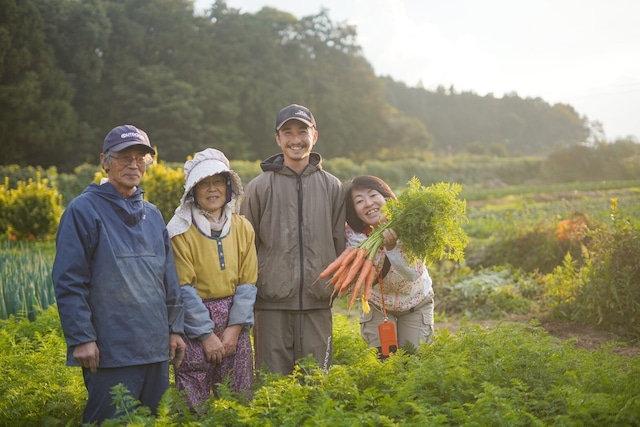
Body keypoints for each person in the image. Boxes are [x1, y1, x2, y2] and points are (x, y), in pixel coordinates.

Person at [52, 124, 186, 424]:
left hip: (155, 348)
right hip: (111, 351)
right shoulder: (83, 211)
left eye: (141, 157)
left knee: (156, 421)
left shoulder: (152, 215)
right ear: (105, 161)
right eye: (125, 156)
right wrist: (81, 338)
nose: (134, 164)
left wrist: (175, 329)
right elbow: (69, 282)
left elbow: (169, 278)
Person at [239, 103, 346, 375]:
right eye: (288, 132)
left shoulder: (332, 187)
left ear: (315, 136)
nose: (295, 139)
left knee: (315, 384)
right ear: (278, 138)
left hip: (317, 303)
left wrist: (331, 286)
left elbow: (339, 242)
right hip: (270, 305)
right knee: (272, 388)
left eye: (302, 131)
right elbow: (245, 248)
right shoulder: (258, 187)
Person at [167, 148, 258, 410]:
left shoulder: (242, 227)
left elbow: (247, 281)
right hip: (195, 321)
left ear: (229, 188)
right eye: (203, 184)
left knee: (237, 393)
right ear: (192, 192)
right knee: (195, 391)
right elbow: (183, 287)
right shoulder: (179, 232)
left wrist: (234, 328)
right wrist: (206, 336)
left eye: (218, 182)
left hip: (234, 320)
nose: (212, 189)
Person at [344, 175, 434, 356]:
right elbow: (353, 278)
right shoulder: (353, 237)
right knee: (384, 360)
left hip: (415, 303)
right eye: (359, 201)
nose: (368, 204)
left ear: (386, 196)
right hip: (377, 305)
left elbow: (414, 273)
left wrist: (392, 247)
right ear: (354, 211)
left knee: (413, 358)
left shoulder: (411, 226)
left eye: (372, 196)